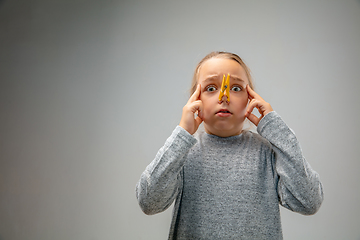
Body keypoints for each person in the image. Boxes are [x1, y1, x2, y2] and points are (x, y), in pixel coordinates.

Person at [136, 51, 324, 240]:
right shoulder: (182, 152)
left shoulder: (266, 152)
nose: (224, 97)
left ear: (250, 99)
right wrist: (181, 134)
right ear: (195, 99)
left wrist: (276, 129)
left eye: (235, 88)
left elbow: (308, 201)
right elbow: (149, 202)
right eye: (210, 88)